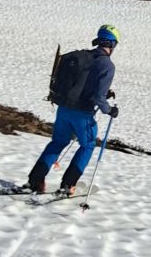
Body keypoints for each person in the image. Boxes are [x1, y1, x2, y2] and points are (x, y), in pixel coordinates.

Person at [25, 24, 120, 196]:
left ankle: (35, 181)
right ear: (112, 44)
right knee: (88, 145)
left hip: (64, 109)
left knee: (58, 142)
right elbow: (99, 97)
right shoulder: (107, 65)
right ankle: (68, 185)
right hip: (82, 113)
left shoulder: (83, 57)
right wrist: (109, 110)